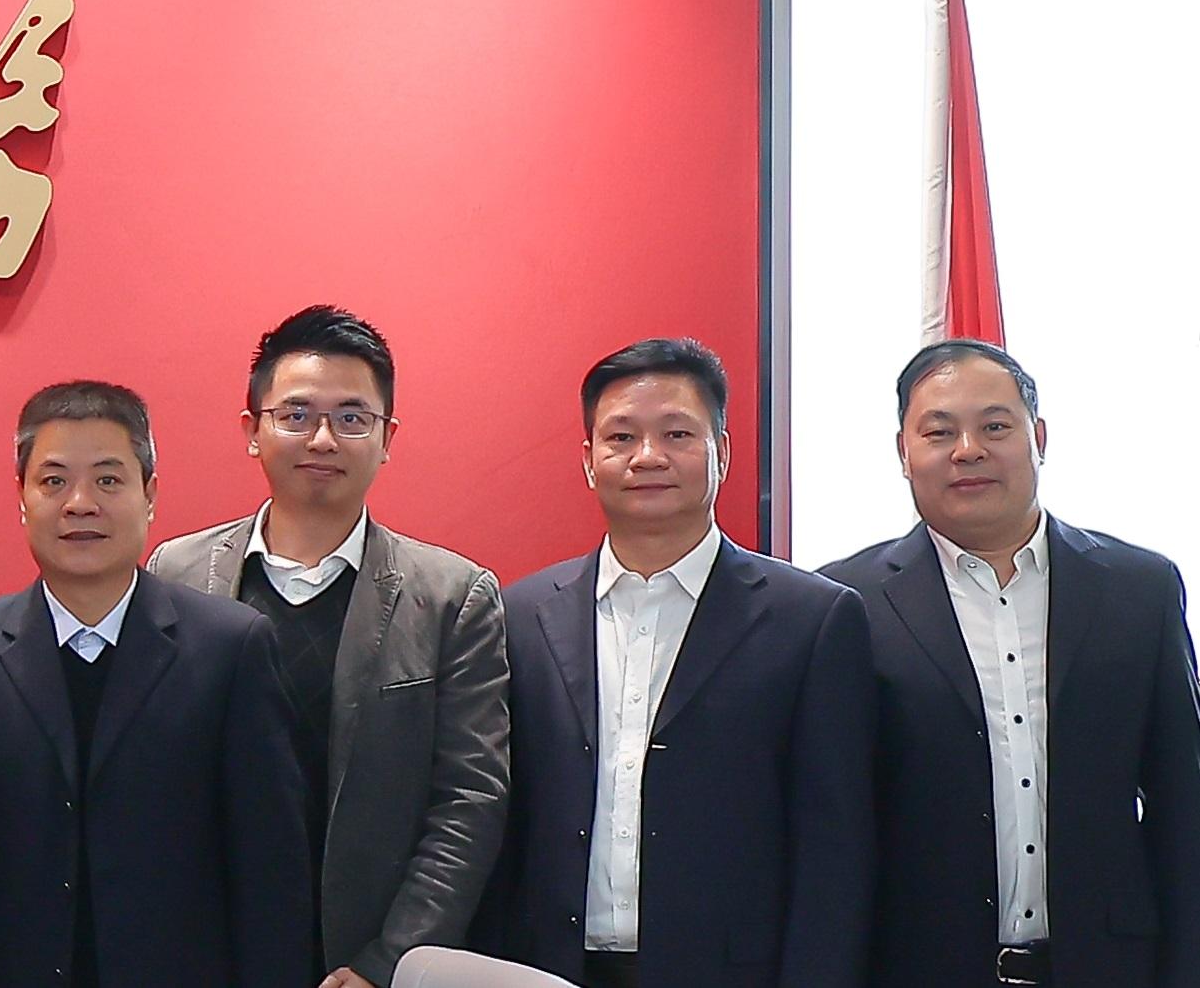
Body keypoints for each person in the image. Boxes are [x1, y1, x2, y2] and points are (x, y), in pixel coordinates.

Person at [480, 338, 873, 988]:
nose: (647, 456)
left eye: (676, 433)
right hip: (546, 965)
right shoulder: (519, 615)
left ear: (720, 450)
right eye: (620, 436)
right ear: (587, 460)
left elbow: (834, 847)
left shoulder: (812, 619)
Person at [0, 381, 311, 988]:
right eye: (54, 481)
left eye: (109, 480)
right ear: (22, 499)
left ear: (150, 495)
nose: (80, 503)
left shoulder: (231, 648)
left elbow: (269, 870)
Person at [150, 307, 511, 988]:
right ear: (251, 430)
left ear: (386, 438)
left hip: (362, 954)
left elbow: (468, 800)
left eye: (351, 417)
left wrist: (389, 960)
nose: (321, 438)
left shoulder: (451, 596)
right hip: (205, 948)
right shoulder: (174, 573)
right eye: (294, 414)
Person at [822, 340, 1200, 988]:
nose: (967, 447)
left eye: (994, 425)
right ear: (902, 452)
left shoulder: (1139, 589)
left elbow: (1181, 804)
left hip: (1110, 966)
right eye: (938, 430)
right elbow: (829, 827)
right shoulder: (843, 604)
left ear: (1038, 435)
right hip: (914, 967)